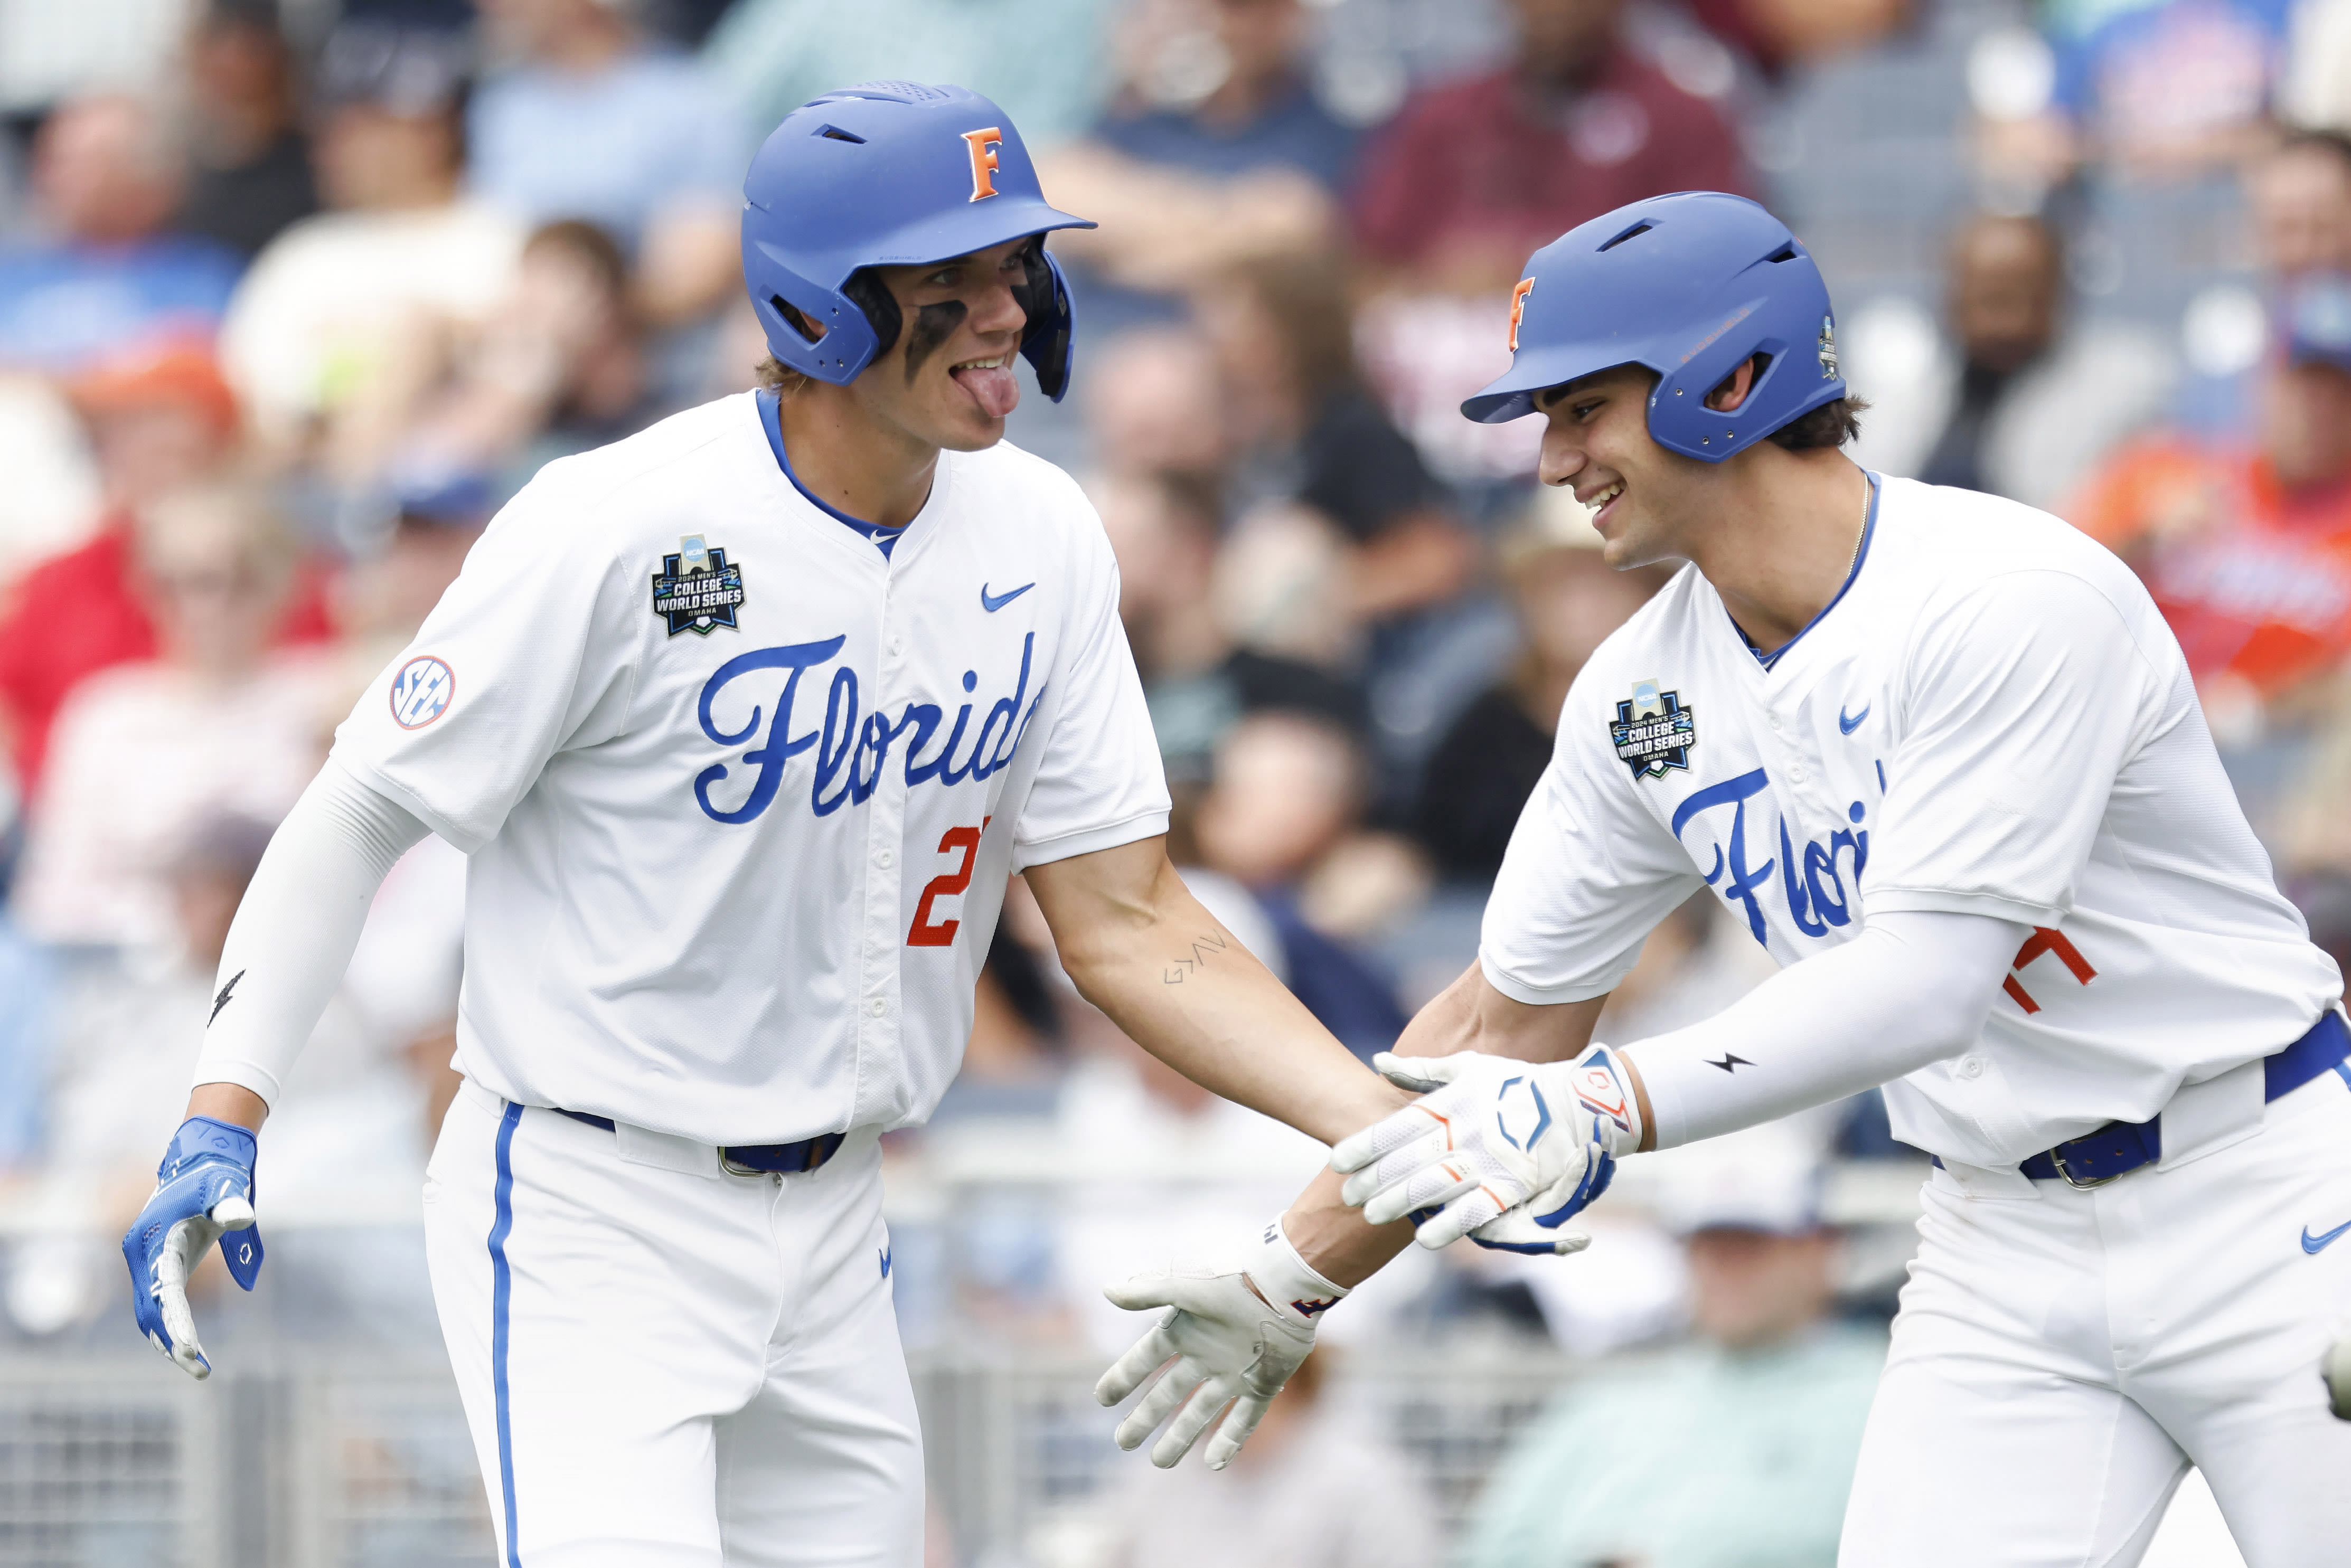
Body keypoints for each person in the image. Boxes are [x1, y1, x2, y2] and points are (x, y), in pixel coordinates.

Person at [121, 84, 1415, 1566]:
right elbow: (360, 806)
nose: (1006, 312)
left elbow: (1126, 921)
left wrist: (1378, 1125)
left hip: (840, 1214)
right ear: (822, 308)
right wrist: (228, 1103)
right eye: (955, 279)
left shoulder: (1043, 534)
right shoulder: (612, 519)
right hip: (595, 1205)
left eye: (1017, 269)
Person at [1102, 192, 2351, 1565]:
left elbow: (1924, 990)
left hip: (2266, 1193)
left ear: (1733, 379)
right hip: (1998, 1235)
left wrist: (1600, 1105)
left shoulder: (2005, 594)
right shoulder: (1638, 694)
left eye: (1582, 408)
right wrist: (1288, 1274)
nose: (1550, 460)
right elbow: (1497, 1028)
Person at [1457, 1127, 1884, 1568]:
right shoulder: (1609, 1400)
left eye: (1750, 1245)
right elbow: (1490, 1552)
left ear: (1821, 1251)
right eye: (1709, 1245)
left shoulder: (1885, 1400)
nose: (1725, 1268)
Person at [216, 21, 524, 469]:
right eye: (331, 131)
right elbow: (253, 396)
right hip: (300, 473)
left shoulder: (501, 235)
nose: (333, 149)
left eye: (362, 129)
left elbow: (513, 371)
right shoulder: (304, 253)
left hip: (454, 477)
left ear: (433, 132)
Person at [2065, 272, 2351, 748]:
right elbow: (2043, 588)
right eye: (2305, 385)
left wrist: (2260, 708)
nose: (2318, 409)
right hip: (2111, 734)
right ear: (2269, 382)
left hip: (2273, 764)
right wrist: (2143, 539)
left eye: (2340, 393)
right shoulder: (2164, 469)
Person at [1849, 212, 2174, 513]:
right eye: (1992, 300)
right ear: (1953, 295)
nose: (2010, 321)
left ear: (2060, 294)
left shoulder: (2122, 389)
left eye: (2028, 296)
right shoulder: (1901, 390)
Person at [465, 0, 749, 325]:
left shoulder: (689, 96)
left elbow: (708, 266)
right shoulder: (500, 105)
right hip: (521, 334)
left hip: (654, 352)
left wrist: (597, 312)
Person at [0, 93, 244, 373]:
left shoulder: (204, 279)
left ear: (153, 179)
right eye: (52, 160)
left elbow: (196, 380)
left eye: (81, 163)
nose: (51, 177)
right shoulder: (12, 275)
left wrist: (49, 387)